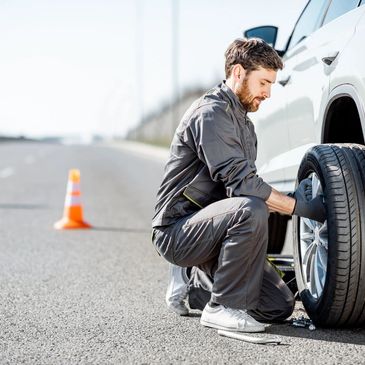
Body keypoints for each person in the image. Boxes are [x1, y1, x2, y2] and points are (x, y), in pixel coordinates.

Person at [152, 38, 326, 333]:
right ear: (237, 73)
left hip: (212, 229)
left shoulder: (245, 126)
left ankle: (198, 285)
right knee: (250, 208)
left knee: (277, 306)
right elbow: (244, 188)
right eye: (263, 82)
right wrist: (299, 207)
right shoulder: (211, 114)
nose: (268, 93)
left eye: (271, 84)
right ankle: (221, 307)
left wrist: (287, 200)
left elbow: (240, 189)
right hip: (177, 230)